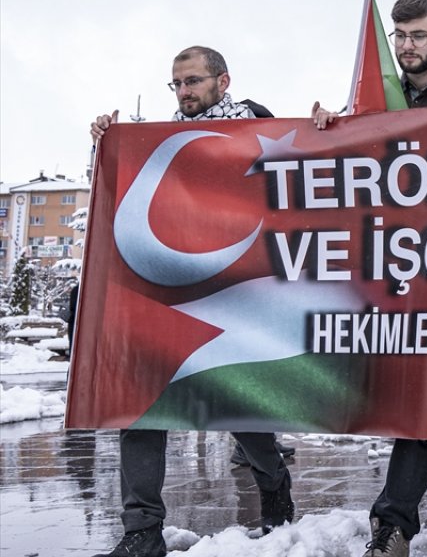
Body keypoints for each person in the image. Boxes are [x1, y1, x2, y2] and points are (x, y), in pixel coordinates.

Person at [88, 46, 294, 557]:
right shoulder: (161, 143)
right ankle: (142, 528)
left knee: (237, 407)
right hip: (168, 292)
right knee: (140, 403)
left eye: (193, 81)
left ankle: (273, 483)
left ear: (223, 82)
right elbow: (122, 201)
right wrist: (109, 147)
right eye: (176, 84)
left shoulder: (259, 128)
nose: (183, 93)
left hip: (239, 293)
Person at [313, 0, 427, 557]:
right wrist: (327, 129)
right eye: (400, 35)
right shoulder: (376, 100)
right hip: (385, 273)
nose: (408, 45)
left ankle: (392, 526)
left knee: (418, 395)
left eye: (419, 34)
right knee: (395, 395)